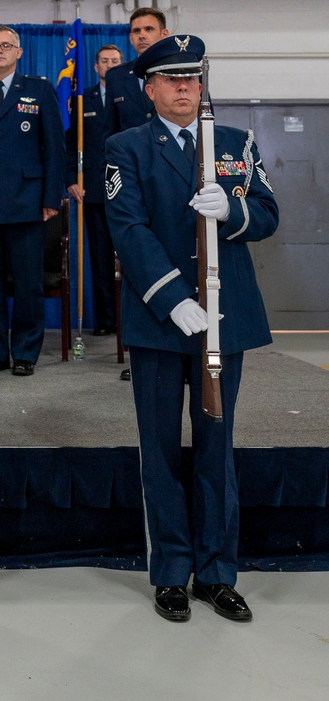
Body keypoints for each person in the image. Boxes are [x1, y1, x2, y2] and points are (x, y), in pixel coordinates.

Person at [104, 34, 279, 625]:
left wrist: (234, 212)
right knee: (159, 451)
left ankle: (218, 572)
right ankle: (171, 573)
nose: (184, 88)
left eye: (192, 78)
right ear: (149, 88)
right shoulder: (126, 147)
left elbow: (269, 214)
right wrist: (174, 299)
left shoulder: (234, 142)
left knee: (215, 450)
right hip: (162, 322)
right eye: (171, 79)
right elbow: (128, 228)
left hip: (224, 323)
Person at [0, 26, 65, 376]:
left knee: (27, 285)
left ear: (19, 52)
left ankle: (24, 352)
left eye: (6, 45)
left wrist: (52, 197)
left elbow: (53, 147)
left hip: (27, 202)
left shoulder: (39, 89)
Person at [66, 43, 124, 335]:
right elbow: (68, 142)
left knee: (130, 259)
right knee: (100, 260)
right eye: (105, 61)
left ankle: (130, 322)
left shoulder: (132, 96)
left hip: (127, 190)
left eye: (115, 61)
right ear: (95, 67)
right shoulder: (81, 98)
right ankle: (106, 322)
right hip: (92, 191)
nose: (110, 65)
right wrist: (70, 180)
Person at [104, 7, 169, 138]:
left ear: (164, 34)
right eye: (136, 31)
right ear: (131, 38)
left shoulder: (185, 73)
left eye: (149, 29)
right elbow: (110, 131)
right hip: (130, 156)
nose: (142, 35)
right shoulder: (116, 77)